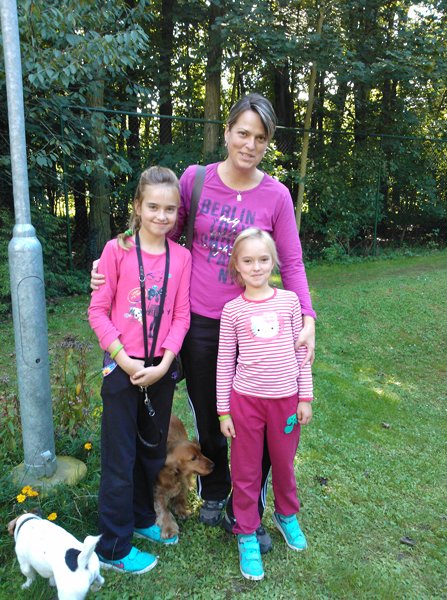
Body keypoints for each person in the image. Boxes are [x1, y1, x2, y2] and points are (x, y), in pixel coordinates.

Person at [91, 93, 316, 554]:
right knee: (212, 415)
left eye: (260, 137)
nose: (250, 144)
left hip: (254, 326)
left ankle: (246, 505)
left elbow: (291, 262)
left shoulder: (276, 195)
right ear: (227, 131)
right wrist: (112, 257)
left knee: (258, 416)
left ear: (268, 142)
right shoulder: (195, 180)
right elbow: (160, 234)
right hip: (197, 324)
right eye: (242, 133)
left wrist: (307, 317)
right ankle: (215, 491)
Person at [88, 166, 191, 575]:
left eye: (170, 209)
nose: (161, 216)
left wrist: (164, 363)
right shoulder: (116, 251)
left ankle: (141, 517)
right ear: (137, 206)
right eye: (153, 207)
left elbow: (181, 316)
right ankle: (113, 545)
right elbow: (98, 312)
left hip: (160, 370)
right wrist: (125, 359)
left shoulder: (181, 257)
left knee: (150, 450)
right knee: (120, 456)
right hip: (121, 368)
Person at [217, 228, 313, 580]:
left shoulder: (290, 302)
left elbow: (302, 354)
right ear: (236, 266)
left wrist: (305, 397)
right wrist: (223, 411)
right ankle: (246, 532)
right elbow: (225, 363)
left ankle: (286, 514)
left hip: (286, 402)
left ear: (273, 262)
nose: (256, 267)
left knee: (284, 465)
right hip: (245, 404)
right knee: (245, 470)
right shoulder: (232, 311)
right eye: (248, 261)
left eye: (263, 259)